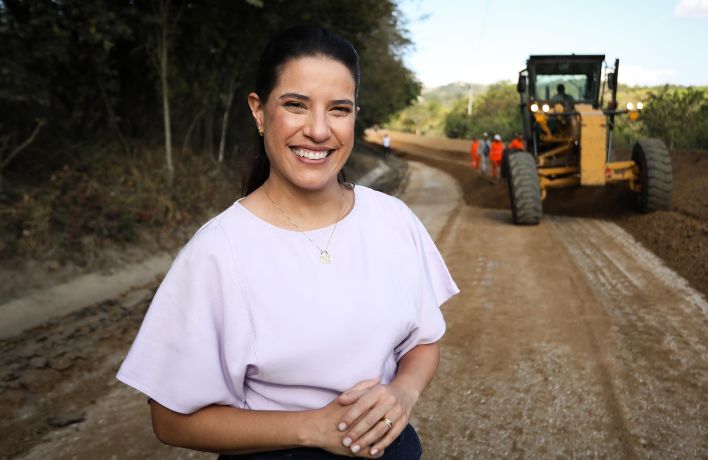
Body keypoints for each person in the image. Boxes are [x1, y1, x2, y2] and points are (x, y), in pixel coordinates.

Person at [116, 25, 458, 460]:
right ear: (258, 111)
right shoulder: (219, 250)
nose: (318, 130)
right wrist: (311, 428)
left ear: (355, 115)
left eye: (338, 109)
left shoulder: (393, 220)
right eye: (296, 105)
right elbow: (168, 420)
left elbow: (423, 340)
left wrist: (404, 394)